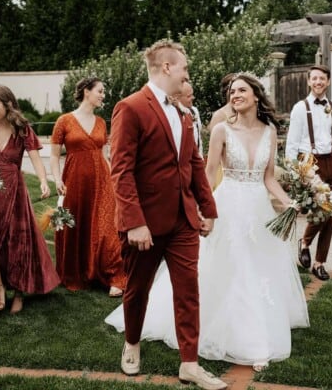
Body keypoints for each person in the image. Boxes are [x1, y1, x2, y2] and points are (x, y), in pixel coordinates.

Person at [106, 73, 310, 372]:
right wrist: (202, 209)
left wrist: (289, 202)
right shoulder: (221, 130)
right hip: (228, 207)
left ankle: (256, 333)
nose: (234, 95)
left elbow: (268, 178)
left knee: (258, 271)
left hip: (258, 210)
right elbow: (207, 171)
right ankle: (238, 339)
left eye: (241, 90)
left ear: (256, 96)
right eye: (231, 91)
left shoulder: (269, 132)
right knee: (231, 269)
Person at [108, 39, 225, 390]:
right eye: (185, 68)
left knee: (188, 291)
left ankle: (189, 364)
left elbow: (192, 164)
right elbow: (121, 170)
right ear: (167, 68)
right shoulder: (130, 108)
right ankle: (132, 342)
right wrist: (135, 222)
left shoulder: (183, 114)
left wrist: (208, 209)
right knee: (138, 289)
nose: (187, 75)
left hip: (183, 222)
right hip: (143, 224)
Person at [0, 85, 60, 314]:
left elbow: (36, 159)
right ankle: (0, 289)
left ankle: (19, 292)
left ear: (7, 105)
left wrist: (42, 180)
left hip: (15, 195)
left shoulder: (22, 129)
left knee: (18, 243)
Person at [49, 77, 126, 296]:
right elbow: (54, 156)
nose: (103, 95)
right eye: (100, 91)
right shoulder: (64, 121)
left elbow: (104, 156)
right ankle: (81, 272)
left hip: (101, 182)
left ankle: (115, 276)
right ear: (86, 91)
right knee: (76, 226)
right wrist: (57, 179)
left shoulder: (102, 122)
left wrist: (115, 180)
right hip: (73, 181)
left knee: (106, 230)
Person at [285, 65, 332, 281]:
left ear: (328, 82)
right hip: (310, 164)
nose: (318, 82)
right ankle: (306, 242)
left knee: (330, 214)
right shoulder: (300, 108)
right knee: (323, 211)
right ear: (309, 82)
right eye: (315, 78)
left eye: (322, 79)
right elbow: (291, 144)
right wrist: (294, 172)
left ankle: (319, 262)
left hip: (331, 162)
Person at [177, 81, 203, 156]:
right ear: (178, 97)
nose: (193, 98)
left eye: (192, 95)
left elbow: (199, 139)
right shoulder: (173, 114)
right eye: (189, 96)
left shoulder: (195, 111)